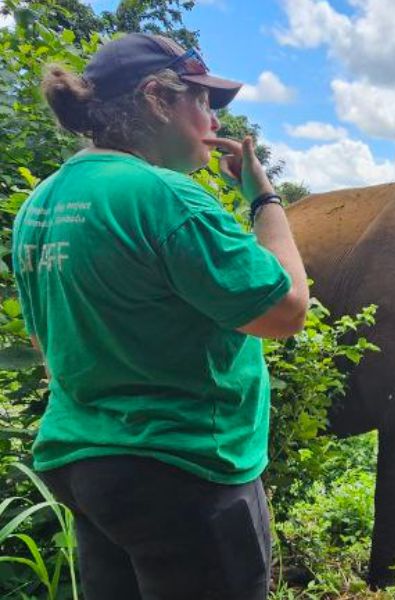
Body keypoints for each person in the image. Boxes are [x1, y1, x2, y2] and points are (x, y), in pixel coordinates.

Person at [12, 33, 309, 599]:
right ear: (157, 98)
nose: (212, 116)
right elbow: (287, 310)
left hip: (87, 469)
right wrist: (264, 199)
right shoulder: (166, 197)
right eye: (202, 100)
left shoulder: (41, 204)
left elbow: (48, 346)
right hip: (185, 472)